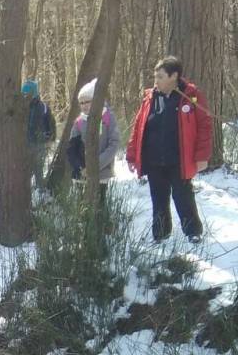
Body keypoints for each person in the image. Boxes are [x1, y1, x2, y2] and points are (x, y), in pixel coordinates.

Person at [125, 56, 213, 243]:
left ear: (174, 76)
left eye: (160, 77)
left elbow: (204, 127)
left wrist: (202, 156)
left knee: (183, 196)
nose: (156, 81)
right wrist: (131, 156)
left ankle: (193, 232)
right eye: (155, 77)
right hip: (154, 159)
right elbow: (138, 128)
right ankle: (160, 234)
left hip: (179, 159)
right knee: (158, 198)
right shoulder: (150, 98)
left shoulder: (190, 96)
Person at [64, 78, 120, 201]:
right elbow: (71, 148)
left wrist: (96, 165)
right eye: (81, 103)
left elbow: (114, 143)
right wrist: (81, 167)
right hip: (82, 174)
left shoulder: (108, 117)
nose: (84, 105)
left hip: (102, 172)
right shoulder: (79, 122)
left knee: (99, 203)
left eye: (87, 101)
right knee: (82, 204)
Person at [23, 80, 56, 192]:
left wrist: (49, 138)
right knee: (26, 169)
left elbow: (51, 124)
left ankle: (40, 191)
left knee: (38, 168)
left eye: (27, 94)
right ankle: (26, 190)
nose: (25, 96)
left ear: (34, 93)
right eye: (24, 94)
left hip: (40, 143)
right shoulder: (22, 108)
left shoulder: (43, 107)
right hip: (26, 143)